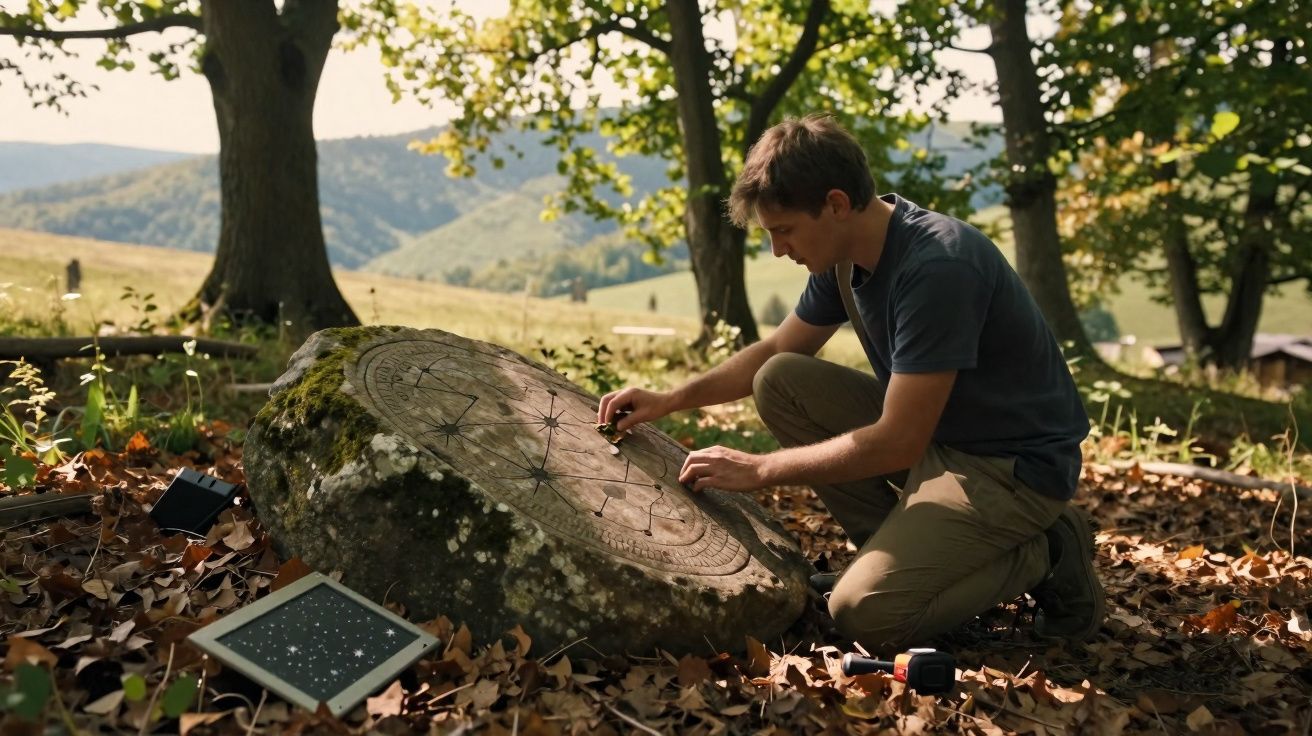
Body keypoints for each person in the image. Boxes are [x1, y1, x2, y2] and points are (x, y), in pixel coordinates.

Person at [596, 114, 1104, 650]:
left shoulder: (938, 267)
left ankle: (1046, 550)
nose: (777, 250)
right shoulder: (843, 258)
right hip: (943, 440)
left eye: (784, 230)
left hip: (1010, 468)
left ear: (836, 204)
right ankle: (904, 554)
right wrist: (671, 398)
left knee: (865, 615)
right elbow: (773, 350)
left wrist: (760, 468)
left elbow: (897, 441)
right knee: (780, 378)